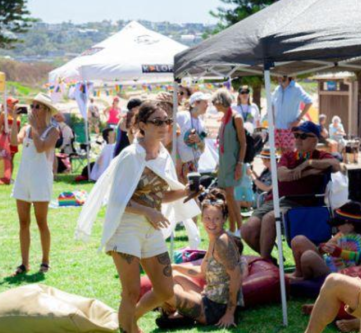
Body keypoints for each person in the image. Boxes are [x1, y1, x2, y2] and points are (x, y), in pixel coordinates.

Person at [76, 101, 197, 333]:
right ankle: (128, 327)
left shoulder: (163, 155)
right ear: (142, 125)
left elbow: (161, 195)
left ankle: (129, 322)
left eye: (167, 121)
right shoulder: (131, 155)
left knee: (165, 290)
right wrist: (147, 211)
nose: (164, 126)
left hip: (151, 228)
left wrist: (187, 191)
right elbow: (116, 199)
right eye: (157, 121)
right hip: (126, 226)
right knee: (130, 292)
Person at [241, 121, 341, 260]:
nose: (298, 139)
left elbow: (336, 165)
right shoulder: (288, 156)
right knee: (247, 230)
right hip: (277, 199)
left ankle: (266, 263)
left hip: (302, 203)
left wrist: (308, 163)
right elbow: (282, 175)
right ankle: (271, 261)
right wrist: (309, 172)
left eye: (303, 136)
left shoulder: (321, 156)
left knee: (270, 218)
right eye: (296, 135)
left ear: (315, 139)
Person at [153, 193, 244, 329]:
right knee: (173, 277)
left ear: (224, 219)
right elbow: (201, 271)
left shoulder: (222, 242)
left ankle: (177, 315)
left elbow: (236, 276)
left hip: (216, 309)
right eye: (207, 218)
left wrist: (230, 313)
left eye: (216, 219)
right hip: (208, 297)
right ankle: (178, 314)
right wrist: (175, 267)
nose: (211, 223)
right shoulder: (215, 239)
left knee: (162, 289)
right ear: (202, 219)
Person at [11, 94, 60, 276]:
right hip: (24, 177)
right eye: (33, 106)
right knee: (23, 222)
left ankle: (45, 261)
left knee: (41, 222)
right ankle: (24, 263)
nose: (33, 110)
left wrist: (33, 127)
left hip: (40, 179)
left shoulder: (53, 131)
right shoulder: (27, 128)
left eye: (38, 107)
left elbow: (41, 148)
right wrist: (15, 120)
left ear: (46, 110)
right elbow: (13, 141)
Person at [288, 202, 361, 281]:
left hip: (345, 273)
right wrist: (323, 248)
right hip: (330, 266)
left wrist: (340, 253)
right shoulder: (341, 233)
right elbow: (326, 246)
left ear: (350, 223)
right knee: (299, 240)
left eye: (338, 224)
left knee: (308, 256)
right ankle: (299, 273)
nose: (337, 227)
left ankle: (305, 280)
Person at [212, 90, 247, 234]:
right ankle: (233, 229)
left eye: (215, 102)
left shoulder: (236, 117)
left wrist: (239, 164)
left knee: (231, 196)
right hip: (225, 162)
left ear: (220, 101)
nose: (214, 105)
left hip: (233, 162)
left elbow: (243, 143)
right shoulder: (225, 118)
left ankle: (241, 228)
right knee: (227, 197)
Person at [271, 75, 313, 152]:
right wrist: (273, 119)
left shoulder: (296, 88)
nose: (278, 76)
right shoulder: (277, 89)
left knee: (290, 156)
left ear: (288, 75)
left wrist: (298, 119)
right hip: (277, 129)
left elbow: (309, 102)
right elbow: (272, 104)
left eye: (280, 75)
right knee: (280, 156)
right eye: (277, 74)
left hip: (290, 129)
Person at [175, 92, 209, 184]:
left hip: (193, 164)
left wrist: (198, 141)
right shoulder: (181, 116)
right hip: (179, 164)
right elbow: (172, 139)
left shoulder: (202, 123)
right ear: (196, 103)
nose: (207, 105)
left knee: (191, 192)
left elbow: (202, 148)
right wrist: (177, 159)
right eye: (205, 102)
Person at [0, 97, 21, 184]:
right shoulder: (4, 113)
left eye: (15, 103)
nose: (15, 104)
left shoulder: (18, 114)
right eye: (13, 103)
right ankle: (4, 177)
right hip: (6, 139)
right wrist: (2, 137)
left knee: (12, 158)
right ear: (8, 104)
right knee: (5, 159)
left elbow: (18, 127)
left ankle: (10, 177)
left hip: (14, 139)